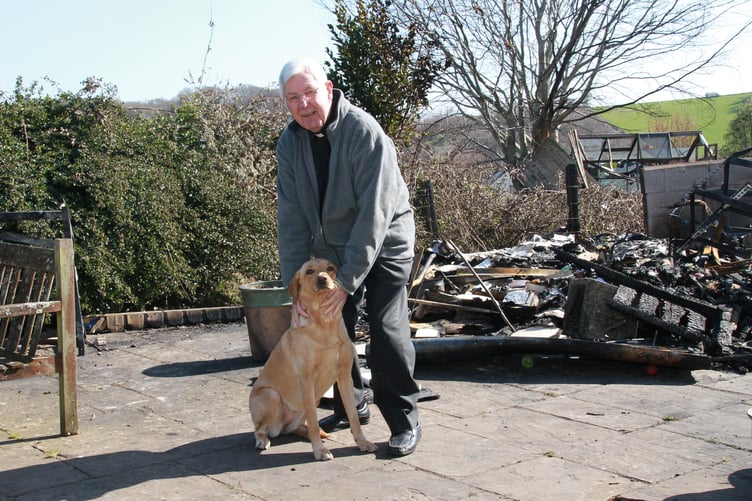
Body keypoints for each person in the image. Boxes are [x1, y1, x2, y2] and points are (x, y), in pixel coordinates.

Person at [275, 57, 421, 456]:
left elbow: (376, 211)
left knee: (386, 328)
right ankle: (350, 403)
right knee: (329, 327)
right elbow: (290, 220)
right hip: (331, 252)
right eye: (293, 98)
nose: (304, 105)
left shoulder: (363, 131)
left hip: (385, 240)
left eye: (309, 93)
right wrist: (298, 292)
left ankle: (404, 419)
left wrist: (348, 280)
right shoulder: (289, 144)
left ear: (329, 87)